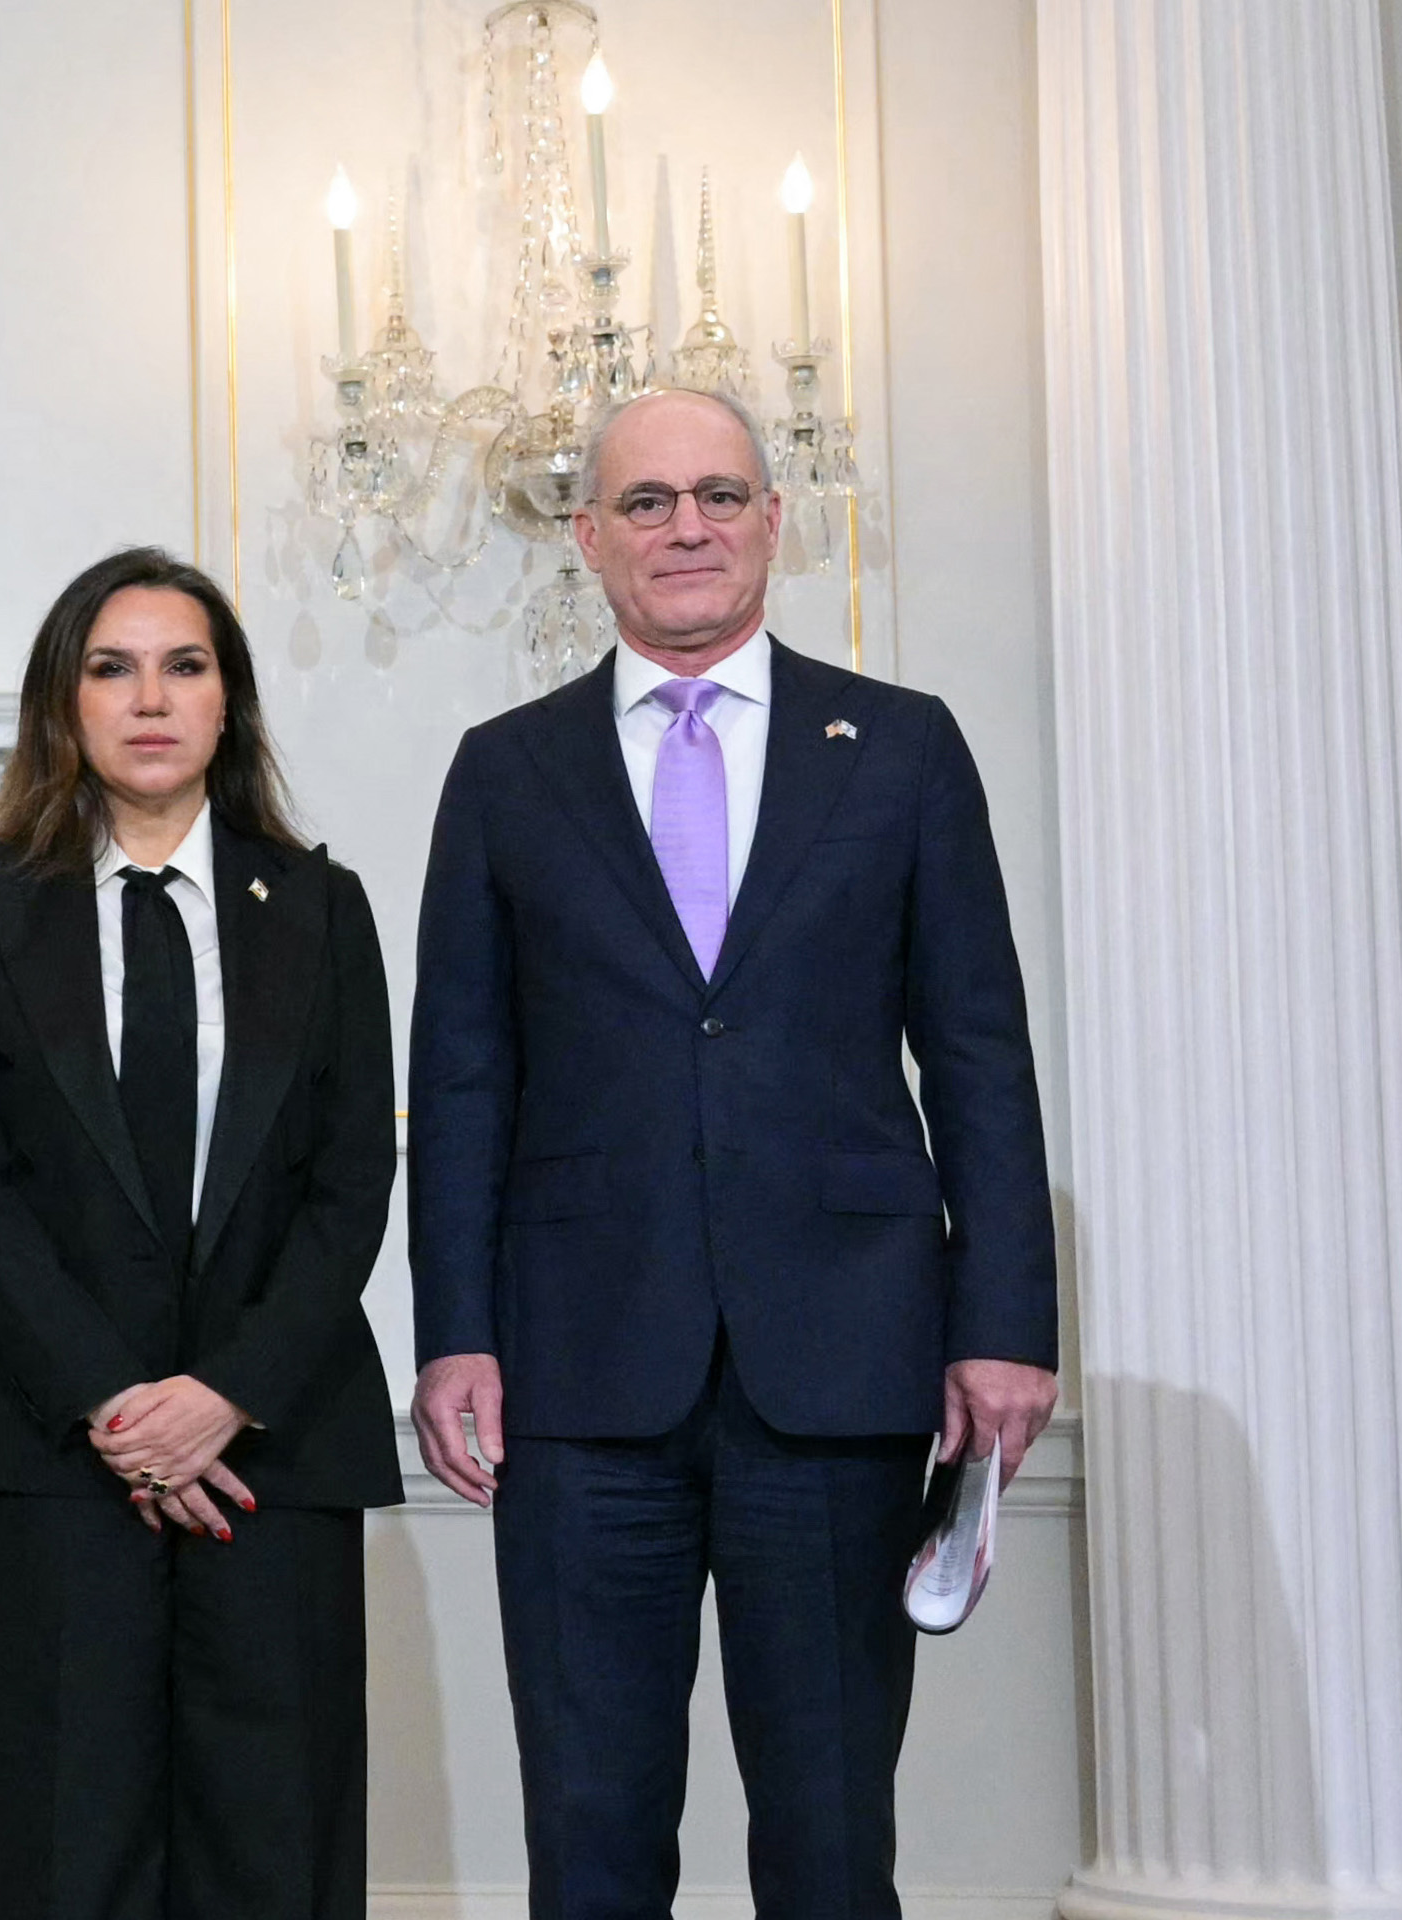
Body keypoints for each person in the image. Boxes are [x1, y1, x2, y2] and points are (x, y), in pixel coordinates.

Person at [409, 388, 1061, 1918]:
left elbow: (978, 1056)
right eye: (646, 503)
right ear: (588, 539)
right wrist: (454, 1337)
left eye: (718, 494)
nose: (685, 528)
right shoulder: (506, 772)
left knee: (833, 1836)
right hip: (577, 1377)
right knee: (590, 1830)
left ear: (775, 518)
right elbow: (460, 1080)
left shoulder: (900, 749)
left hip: (839, 1367)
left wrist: (1006, 1327)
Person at [0, 546, 401, 1919]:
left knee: (272, 1839)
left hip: (275, 1446)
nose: (150, 699)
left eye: (185, 666)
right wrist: (123, 1408)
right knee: (66, 1841)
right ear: (63, 703)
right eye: (111, 668)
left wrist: (225, 1396)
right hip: (55, 1444)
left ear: (229, 702)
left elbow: (351, 1184)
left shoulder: (318, 904)